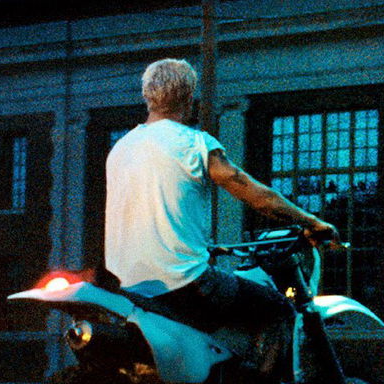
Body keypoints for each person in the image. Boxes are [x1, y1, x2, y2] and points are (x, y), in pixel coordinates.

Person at [104, 58, 337, 339]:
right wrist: (311, 221)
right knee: (280, 309)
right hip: (185, 283)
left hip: (128, 287)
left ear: (147, 96)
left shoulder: (121, 148)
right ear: (189, 98)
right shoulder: (195, 143)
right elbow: (256, 196)